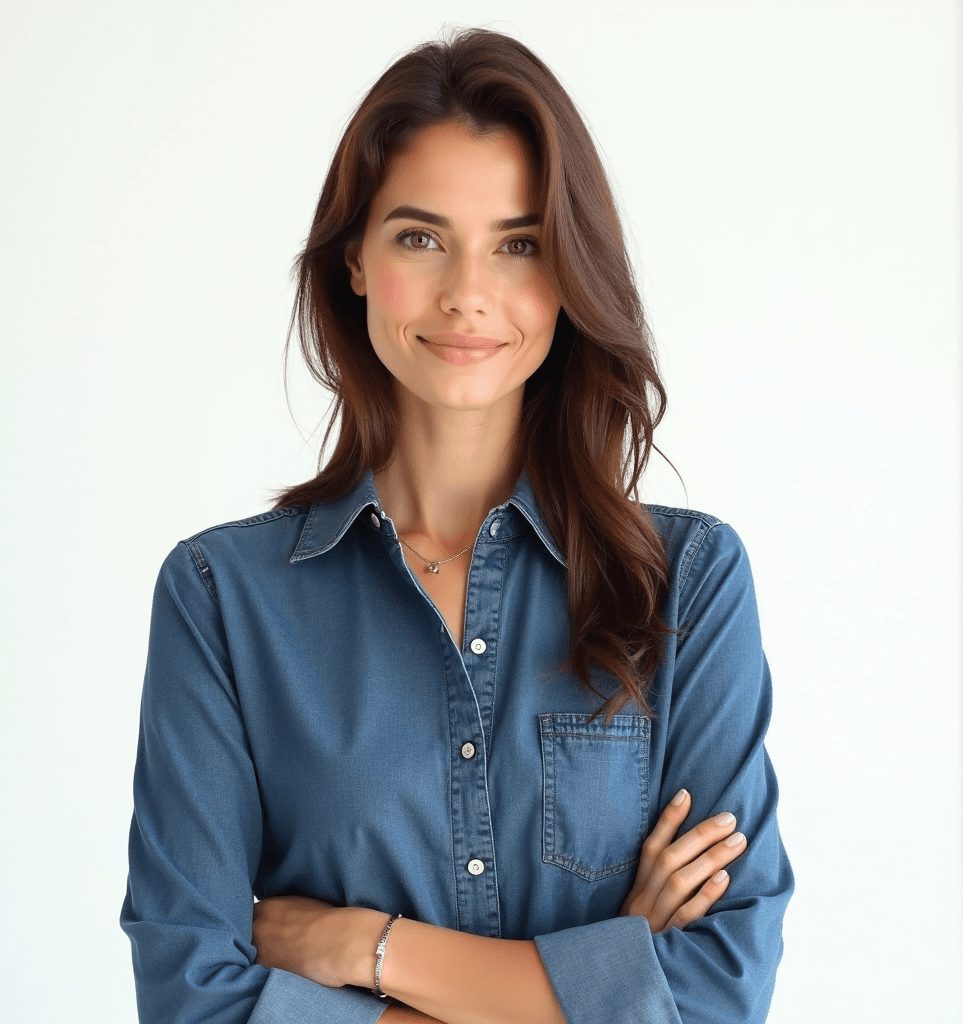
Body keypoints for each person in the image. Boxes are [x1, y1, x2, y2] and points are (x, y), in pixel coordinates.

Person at [120, 26, 793, 1024]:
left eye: (518, 244)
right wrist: (602, 978)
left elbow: (719, 992)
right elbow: (195, 1001)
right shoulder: (222, 599)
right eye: (420, 237)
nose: (467, 293)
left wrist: (361, 948)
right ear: (354, 259)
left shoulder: (685, 583)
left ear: (569, 273)